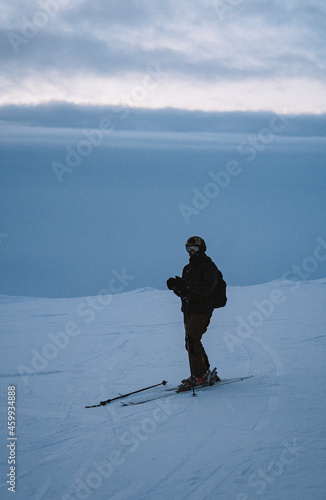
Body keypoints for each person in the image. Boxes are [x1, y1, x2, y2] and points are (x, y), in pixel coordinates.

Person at [167, 236, 221, 388]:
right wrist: (176, 287)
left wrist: (186, 285)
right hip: (188, 309)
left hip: (202, 309)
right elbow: (185, 291)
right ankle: (205, 371)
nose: (191, 252)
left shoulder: (209, 267)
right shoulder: (188, 268)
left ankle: (200, 375)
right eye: (188, 249)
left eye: (195, 248)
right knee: (191, 341)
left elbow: (206, 289)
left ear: (202, 248)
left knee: (192, 340)